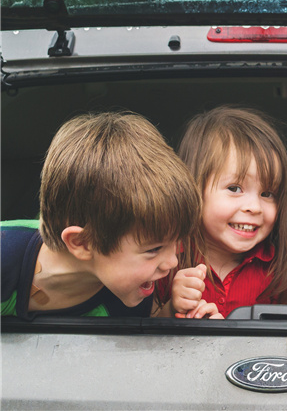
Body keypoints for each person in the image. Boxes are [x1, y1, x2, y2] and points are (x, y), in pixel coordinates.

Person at [1, 112, 218, 320]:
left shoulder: (128, 299)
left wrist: (174, 315)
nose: (172, 262)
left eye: (176, 242)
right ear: (83, 243)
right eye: (153, 249)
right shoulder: (6, 258)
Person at [165, 106, 287, 318]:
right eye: (234, 189)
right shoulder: (165, 261)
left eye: (267, 193)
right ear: (193, 189)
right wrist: (170, 308)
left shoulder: (280, 273)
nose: (255, 207)